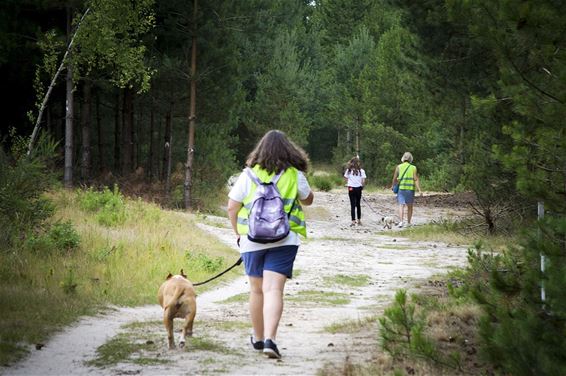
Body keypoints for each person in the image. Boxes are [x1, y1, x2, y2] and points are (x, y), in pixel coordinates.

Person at [227, 130, 314, 359]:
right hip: (285, 239)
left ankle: (257, 338)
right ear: (289, 150)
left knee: (256, 290)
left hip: (251, 239)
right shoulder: (294, 175)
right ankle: (270, 340)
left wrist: (238, 233)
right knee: (273, 290)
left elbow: (231, 207)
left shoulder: (247, 175)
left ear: (260, 150)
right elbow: (308, 199)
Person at [391, 151, 422, 227]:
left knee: (401, 205)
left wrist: (393, 186)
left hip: (401, 189)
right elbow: (415, 179)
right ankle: (408, 223)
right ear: (411, 159)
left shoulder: (399, 167)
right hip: (410, 189)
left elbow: (394, 178)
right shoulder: (413, 167)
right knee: (410, 206)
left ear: (403, 158)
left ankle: (401, 222)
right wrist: (419, 190)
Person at [343, 156, 367, 226]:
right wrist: (362, 187)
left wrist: (348, 183)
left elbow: (345, 178)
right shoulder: (362, 171)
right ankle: (359, 220)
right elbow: (363, 181)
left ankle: (353, 221)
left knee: (352, 205)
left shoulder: (349, 170)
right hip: (358, 188)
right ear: (358, 163)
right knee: (358, 204)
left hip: (351, 188)